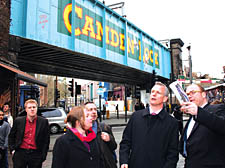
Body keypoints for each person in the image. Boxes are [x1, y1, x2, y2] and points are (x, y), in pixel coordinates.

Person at [119, 82, 179, 168]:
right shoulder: (136, 117)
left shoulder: (172, 123)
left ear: (165, 99)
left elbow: (173, 153)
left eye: (158, 93)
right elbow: (125, 142)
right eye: (152, 91)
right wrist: (124, 161)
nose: (154, 94)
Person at [179, 84, 225, 168]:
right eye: (187, 94)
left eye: (193, 92)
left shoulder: (217, 109)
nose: (190, 96)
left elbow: (221, 125)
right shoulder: (191, 117)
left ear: (203, 94)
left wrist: (198, 112)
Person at [8, 99, 50, 168]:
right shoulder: (18, 121)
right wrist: (12, 150)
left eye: (34, 107)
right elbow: (11, 136)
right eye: (29, 107)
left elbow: (46, 140)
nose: (32, 109)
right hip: (20, 153)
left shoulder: (43, 122)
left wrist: (43, 155)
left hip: (36, 154)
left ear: (37, 108)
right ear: (26, 109)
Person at [84, 102, 117, 168]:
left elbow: (114, 146)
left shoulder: (104, 127)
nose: (94, 112)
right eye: (90, 110)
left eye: (95, 109)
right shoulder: (81, 130)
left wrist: (109, 139)